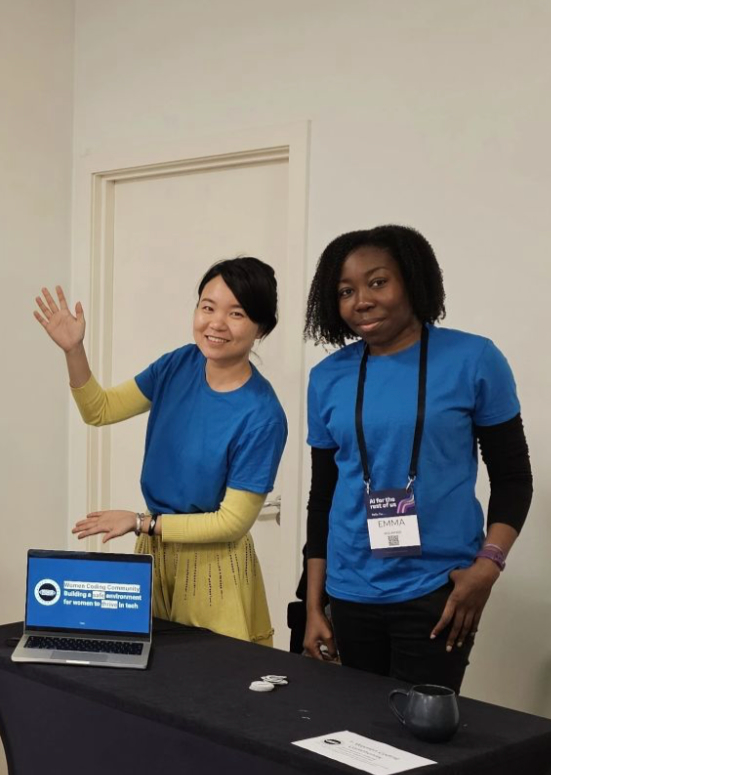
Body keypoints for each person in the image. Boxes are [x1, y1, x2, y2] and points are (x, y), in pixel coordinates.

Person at [300, 225, 532, 690]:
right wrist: (313, 604)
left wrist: (487, 568)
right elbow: (323, 498)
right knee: (356, 737)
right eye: (345, 291)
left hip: (438, 589)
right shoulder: (327, 377)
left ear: (413, 280)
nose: (361, 300)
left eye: (377, 282)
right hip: (348, 591)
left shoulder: (474, 359)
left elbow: (512, 477)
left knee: (423, 740)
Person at [35, 259, 289, 644]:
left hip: (214, 565)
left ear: (261, 327)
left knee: (209, 689)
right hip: (154, 552)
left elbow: (232, 522)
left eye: (236, 313)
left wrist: (142, 522)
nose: (216, 323)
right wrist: (74, 350)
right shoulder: (179, 364)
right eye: (207, 307)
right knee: (148, 677)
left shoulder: (262, 414)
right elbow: (99, 410)